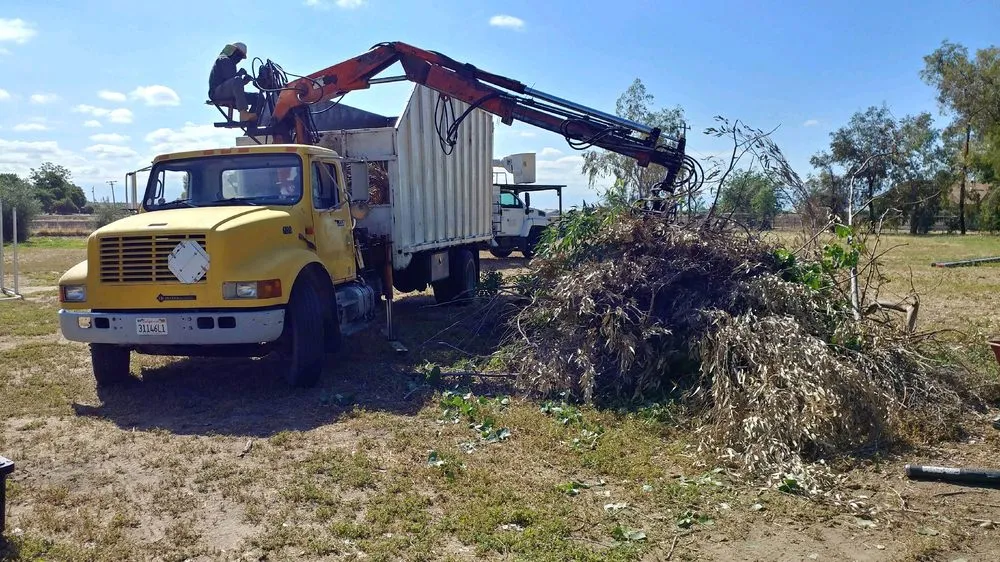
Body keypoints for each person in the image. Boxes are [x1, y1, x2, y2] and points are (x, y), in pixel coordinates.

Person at [208, 42, 261, 122]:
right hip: (216, 92)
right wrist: (240, 74)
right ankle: (243, 114)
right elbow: (232, 79)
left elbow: (232, 84)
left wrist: (244, 81)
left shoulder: (230, 62)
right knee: (237, 80)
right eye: (239, 55)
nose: (239, 59)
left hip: (226, 90)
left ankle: (251, 123)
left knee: (258, 97)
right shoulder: (224, 59)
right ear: (233, 52)